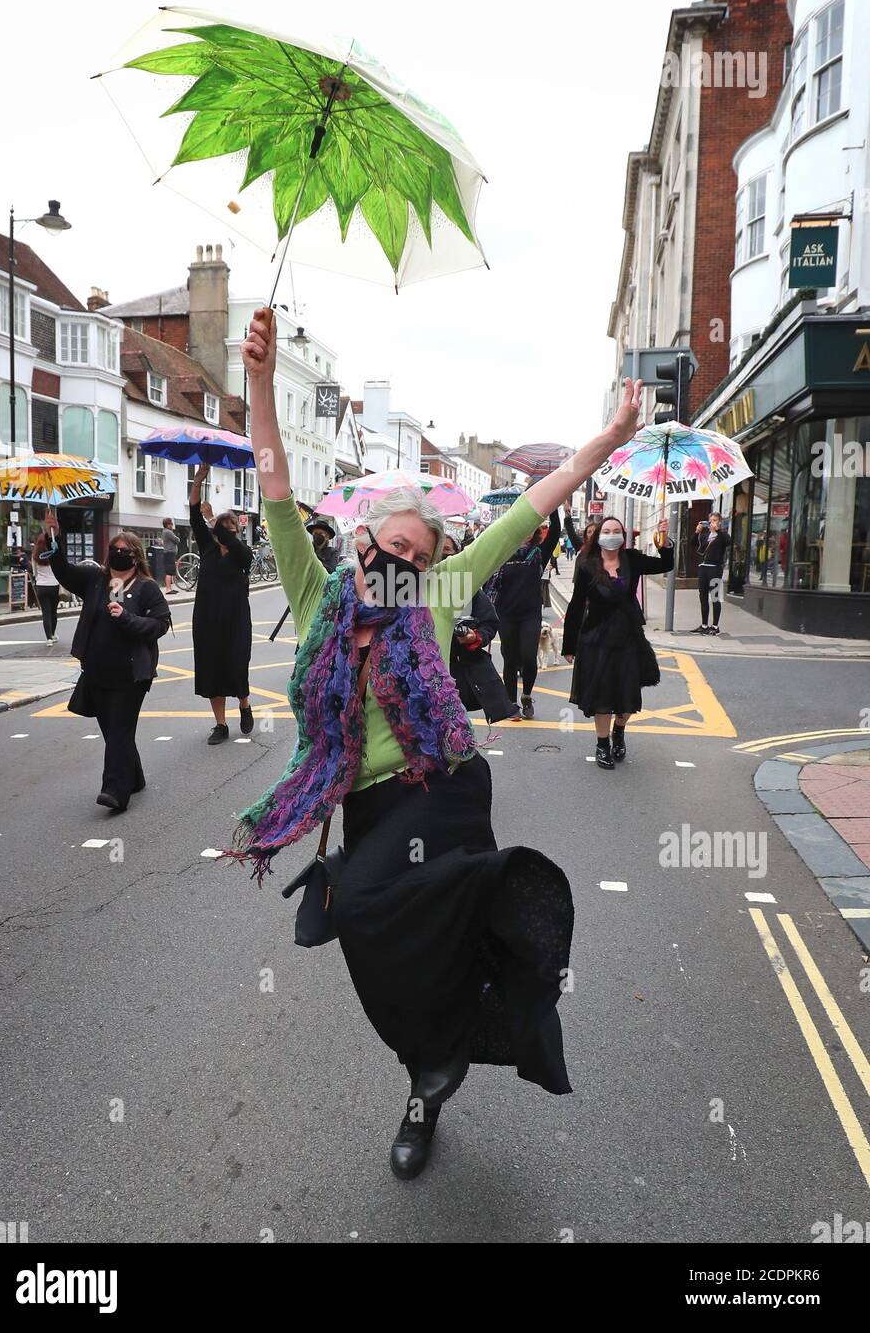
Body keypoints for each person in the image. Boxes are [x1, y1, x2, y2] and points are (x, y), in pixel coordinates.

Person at [235, 306, 642, 1179]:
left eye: (418, 554)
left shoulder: (444, 590)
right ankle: (428, 1069)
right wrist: (260, 381)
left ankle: (458, 1023)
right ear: (363, 543)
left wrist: (607, 437)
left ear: (433, 560)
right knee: (376, 942)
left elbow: (538, 499)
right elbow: (272, 481)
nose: (402, 563)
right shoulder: (319, 596)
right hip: (370, 802)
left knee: (425, 913)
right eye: (391, 546)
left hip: (446, 787)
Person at [43, 510, 170, 810]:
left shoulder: (146, 588)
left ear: (136, 557)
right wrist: (54, 536)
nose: (117, 554)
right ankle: (134, 777)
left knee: (119, 731)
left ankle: (115, 791)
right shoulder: (95, 579)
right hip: (97, 672)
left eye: (124, 551)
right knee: (113, 732)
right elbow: (64, 572)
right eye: (114, 550)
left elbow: (160, 625)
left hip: (131, 676)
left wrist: (127, 618)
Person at [561, 514, 674, 769]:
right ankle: (602, 745)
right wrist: (569, 645)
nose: (612, 534)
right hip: (596, 637)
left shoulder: (631, 559)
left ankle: (619, 732)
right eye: (607, 530)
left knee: (627, 691)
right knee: (601, 694)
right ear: (599, 536)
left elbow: (665, 565)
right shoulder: (587, 566)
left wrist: (664, 541)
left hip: (628, 636)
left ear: (623, 537)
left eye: (617, 530)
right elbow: (576, 606)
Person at [189, 464, 254, 745]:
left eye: (228, 530)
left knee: (236, 665)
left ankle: (244, 702)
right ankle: (220, 724)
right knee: (212, 668)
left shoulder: (243, 554)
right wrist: (197, 481)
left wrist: (214, 519)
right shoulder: (208, 549)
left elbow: (227, 537)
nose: (223, 533)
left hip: (236, 620)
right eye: (220, 529)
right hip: (207, 619)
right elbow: (193, 517)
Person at [483, 507, 561, 721]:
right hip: (505, 614)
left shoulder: (539, 553)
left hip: (529, 615)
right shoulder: (501, 554)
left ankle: (526, 696)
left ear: (535, 532)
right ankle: (511, 703)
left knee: (528, 657)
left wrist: (554, 508)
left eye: (529, 529)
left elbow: (555, 532)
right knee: (509, 658)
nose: (524, 533)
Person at [440, 532, 518, 723]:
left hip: (460, 672)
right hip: (426, 672)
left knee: (458, 727)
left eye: (448, 551)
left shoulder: (468, 588)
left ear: (458, 555)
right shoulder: (416, 587)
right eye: (436, 552)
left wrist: (474, 637)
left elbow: (489, 623)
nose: (443, 558)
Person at [693, 513, 732, 635]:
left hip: (715, 569)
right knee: (703, 597)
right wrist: (696, 532)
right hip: (703, 569)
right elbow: (693, 543)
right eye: (710, 521)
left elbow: (728, 542)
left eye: (715, 520)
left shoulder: (722, 535)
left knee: (715, 598)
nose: (712, 523)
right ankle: (704, 625)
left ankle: (715, 626)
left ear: (719, 522)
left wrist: (718, 530)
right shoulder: (705, 536)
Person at [32, 528, 61, 646]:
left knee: (46, 613)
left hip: (41, 587)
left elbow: (34, 573)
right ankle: (53, 635)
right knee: (54, 612)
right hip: (54, 586)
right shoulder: (53, 555)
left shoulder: (35, 557)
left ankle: (48, 638)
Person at [161, 517, 181, 594]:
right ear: (167, 524)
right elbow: (177, 540)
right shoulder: (168, 532)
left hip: (169, 554)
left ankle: (170, 588)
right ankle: (168, 589)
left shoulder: (165, 532)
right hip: (169, 554)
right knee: (169, 571)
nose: (172, 525)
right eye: (171, 524)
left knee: (171, 570)